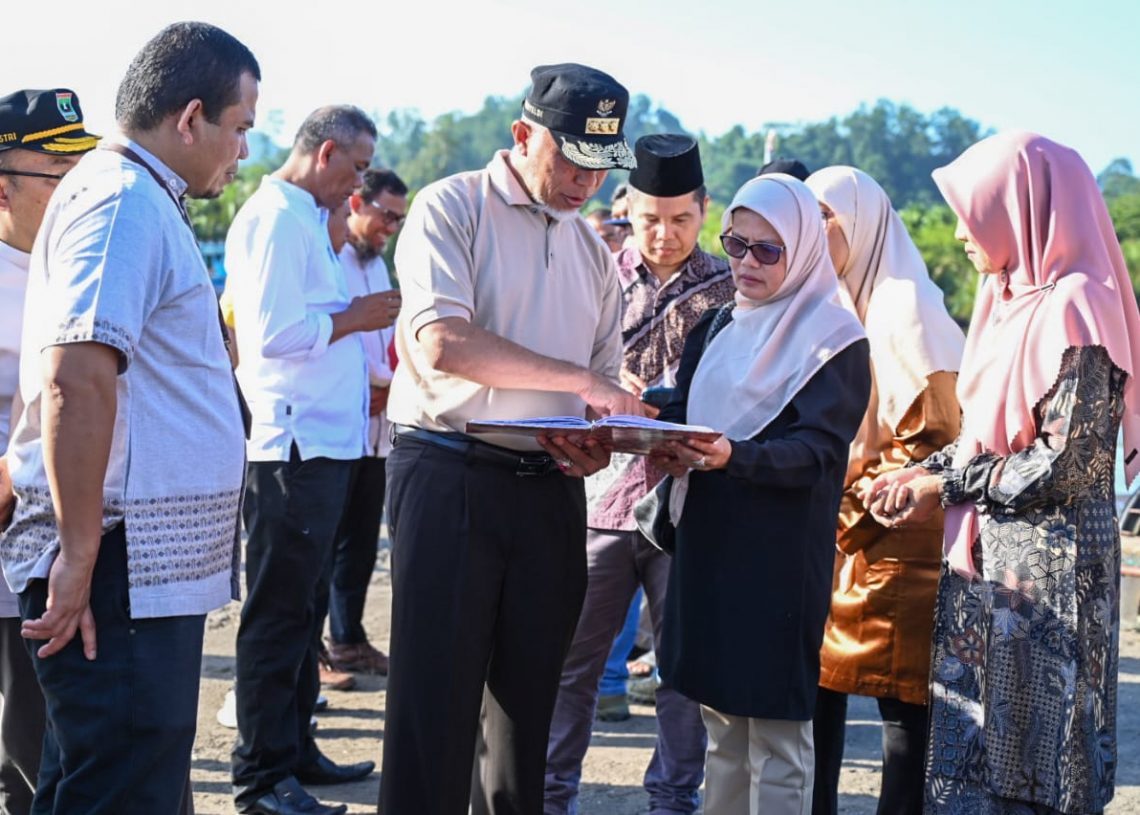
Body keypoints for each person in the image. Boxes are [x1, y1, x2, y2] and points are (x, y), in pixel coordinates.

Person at [0, 22, 257, 812]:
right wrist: (78, 552)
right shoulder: (120, 202)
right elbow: (79, 375)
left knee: (114, 782)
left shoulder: (133, 197)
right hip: (115, 564)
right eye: (239, 127)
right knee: (118, 789)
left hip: (130, 567)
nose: (242, 150)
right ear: (189, 119)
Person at [380, 62, 644, 815]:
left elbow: (599, 384)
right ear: (524, 133)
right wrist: (581, 384)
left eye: (601, 167)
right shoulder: (450, 208)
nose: (584, 183)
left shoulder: (594, 253)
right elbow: (442, 343)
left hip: (550, 489)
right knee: (436, 704)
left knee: (528, 710)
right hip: (449, 471)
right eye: (571, 160)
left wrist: (600, 438)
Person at [869, 131, 1140, 815]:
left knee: (1042, 775)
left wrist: (946, 486)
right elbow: (977, 440)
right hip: (983, 573)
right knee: (978, 769)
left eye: (972, 210)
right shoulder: (1002, 299)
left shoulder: (1079, 302)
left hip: (1053, 583)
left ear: (1018, 207)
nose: (961, 231)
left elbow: (1069, 461)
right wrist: (915, 473)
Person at [649, 173, 870, 814]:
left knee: (776, 736)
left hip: (777, 557)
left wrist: (733, 456)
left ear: (802, 250)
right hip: (709, 540)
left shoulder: (835, 340)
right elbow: (687, 411)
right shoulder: (718, 326)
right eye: (736, 244)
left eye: (767, 250)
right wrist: (650, 430)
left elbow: (820, 453)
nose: (745, 262)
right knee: (721, 724)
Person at [545, 133, 733, 815]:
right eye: (650, 219)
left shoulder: (731, 290)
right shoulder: (593, 271)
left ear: (704, 210)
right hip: (598, 497)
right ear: (627, 207)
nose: (664, 235)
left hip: (687, 504)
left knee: (681, 669)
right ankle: (549, 793)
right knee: (574, 663)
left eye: (682, 219)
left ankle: (672, 801)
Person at [226, 105, 393, 815]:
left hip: (325, 443)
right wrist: (358, 315)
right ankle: (261, 777)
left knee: (301, 612)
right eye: (356, 169)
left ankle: (294, 750)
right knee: (278, 614)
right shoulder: (274, 218)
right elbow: (269, 335)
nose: (357, 187)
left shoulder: (305, 221)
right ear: (325, 153)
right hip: (290, 447)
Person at [803, 165, 965, 815]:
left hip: (896, 537)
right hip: (845, 529)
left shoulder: (904, 303)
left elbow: (937, 436)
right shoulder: (839, 296)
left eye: (826, 216)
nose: (814, 232)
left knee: (901, 707)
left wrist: (851, 498)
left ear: (863, 222)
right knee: (819, 690)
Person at [0, 87, 97, 815]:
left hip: (60, 543)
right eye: (57, 176)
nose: (77, 191)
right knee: (30, 741)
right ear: (3, 186)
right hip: (14, 531)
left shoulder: (80, 259)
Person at [323, 168, 407, 677]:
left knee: (358, 542)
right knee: (326, 543)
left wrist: (389, 384)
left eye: (398, 218)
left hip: (376, 425)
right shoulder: (333, 259)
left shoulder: (376, 264)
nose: (390, 227)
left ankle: (349, 639)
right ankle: (314, 654)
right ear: (357, 202)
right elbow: (340, 336)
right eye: (385, 215)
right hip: (339, 419)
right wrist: (377, 383)